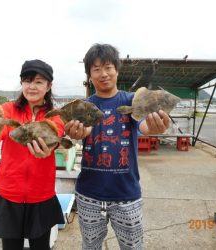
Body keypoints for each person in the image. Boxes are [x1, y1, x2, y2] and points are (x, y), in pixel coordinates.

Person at [65, 44, 170, 250]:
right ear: (89, 75)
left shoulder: (131, 100)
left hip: (127, 195)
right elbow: (81, 133)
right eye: (96, 69)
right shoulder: (83, 106)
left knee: (133, 247)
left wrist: (156, 126)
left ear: (117, 70)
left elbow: (144, 125)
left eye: (108, 67)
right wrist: (75, 134)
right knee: (90, 247)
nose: (103, 74)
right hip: (88, 195)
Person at [0, 59, 65, 250]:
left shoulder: (55, 114)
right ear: (21, 83)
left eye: (39, 81)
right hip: (8, 193)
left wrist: (51, 146)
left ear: (49, 86)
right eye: (27, 80)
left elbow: (58, 133)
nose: (32, 86)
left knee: (41, 247)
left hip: (41, 195)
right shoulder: (7, 110)